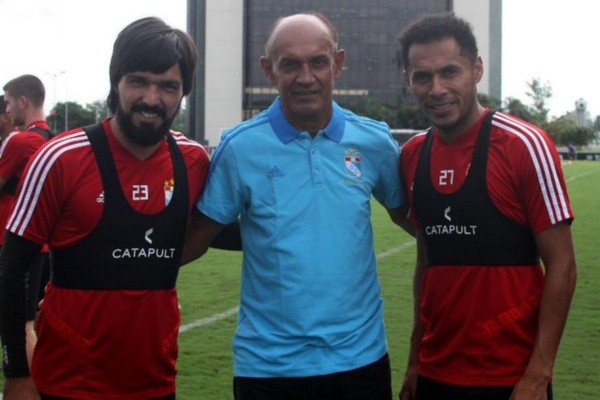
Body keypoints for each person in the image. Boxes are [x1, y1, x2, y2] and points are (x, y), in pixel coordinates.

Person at [183, 12, 406, 400]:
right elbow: (195, 239)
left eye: (318, 62)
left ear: (337, 63)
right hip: (268, 368)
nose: (306, 77)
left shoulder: (374, 143)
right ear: (269, 70)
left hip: (361, 361)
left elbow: (421, 225)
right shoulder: (240, 148)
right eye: (290, 65)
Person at [0, 17, 208, 399]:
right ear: (116, 81)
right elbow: (12, 269)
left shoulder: (194, 161)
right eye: (138, 81)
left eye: (168, 86)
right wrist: (16, 374)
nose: (152, 99)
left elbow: (219, 228)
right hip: (67, 384)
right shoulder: (60, 158)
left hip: (156, 384)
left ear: (184, 92)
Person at [396, 12, 577, 400]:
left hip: (511, 378)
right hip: (435, 373)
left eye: (450, 72)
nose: (437, 89)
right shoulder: (412, 154)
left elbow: (562, 264)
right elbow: (427, 260)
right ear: (408, 80)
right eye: (422, 77)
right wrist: (414, 359)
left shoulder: (523, 145)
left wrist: (539, 373)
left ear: (476, 69)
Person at [1, 76, 55, 368]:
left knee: (21, 326)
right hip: (44, 245)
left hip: (16, 241)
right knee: (33, 322)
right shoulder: (53, 139)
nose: (7, 109)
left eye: (9, 102)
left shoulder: (22, 140)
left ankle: (26, 384)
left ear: (23, 101)